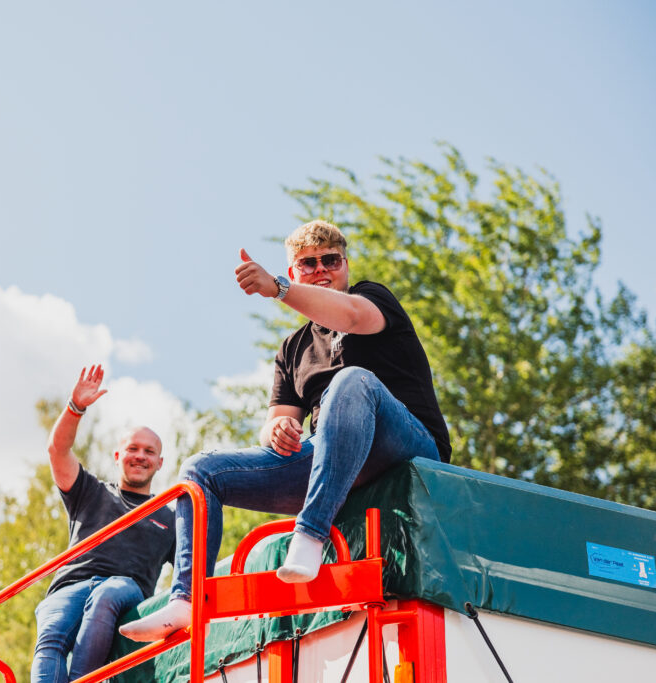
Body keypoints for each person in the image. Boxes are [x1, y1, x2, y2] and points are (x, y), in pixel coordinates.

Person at [120, 220, 451, 642]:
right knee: (200, 470)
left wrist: (277, 288)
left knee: (351, 382)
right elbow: (277, 418)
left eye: (330, 260)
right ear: (296, 270)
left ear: (345, 265)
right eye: (307, 264)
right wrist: (277, 431)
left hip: (406, 442)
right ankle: (186, 601)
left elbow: (349, 315)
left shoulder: (371, 297)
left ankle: (310, 535)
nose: (320, 270)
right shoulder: (293, 349)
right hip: (333, 454)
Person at [31, 365, 176, 682]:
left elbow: (191, 567)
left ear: (159, 462)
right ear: (117, 455)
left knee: (109, 592)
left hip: (125, 590)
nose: (139, 456)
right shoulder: (90, 491)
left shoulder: (169, 517)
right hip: (71, 585)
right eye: (132, 449)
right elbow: (58, 450)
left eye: (148, 451)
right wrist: (75, 407)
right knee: (52, 635)